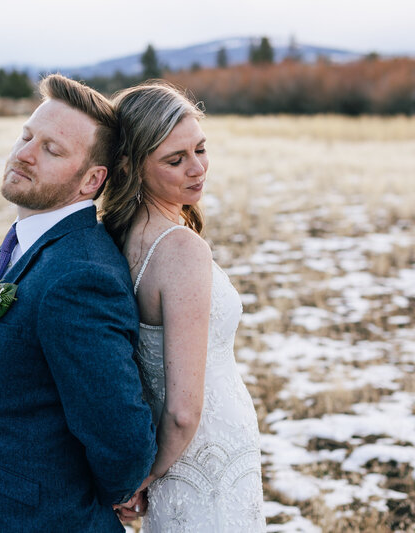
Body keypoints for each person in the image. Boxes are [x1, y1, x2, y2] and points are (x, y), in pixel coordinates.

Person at [0, 74, 157, 532]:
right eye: (26, 135)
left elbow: (124, 441)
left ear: (92, 180)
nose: (24, 153)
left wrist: (108, 494)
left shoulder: (79, 276)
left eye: (51, 150)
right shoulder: (31, 241)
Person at [103, 82, 266, 531]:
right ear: (132, 167)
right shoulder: (179, 249)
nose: (197, 169)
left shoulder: (120, 236)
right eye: (175, 160)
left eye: (200, 149)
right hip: (204, 452)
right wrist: (147, 475)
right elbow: (182, 410)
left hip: (177, 448)